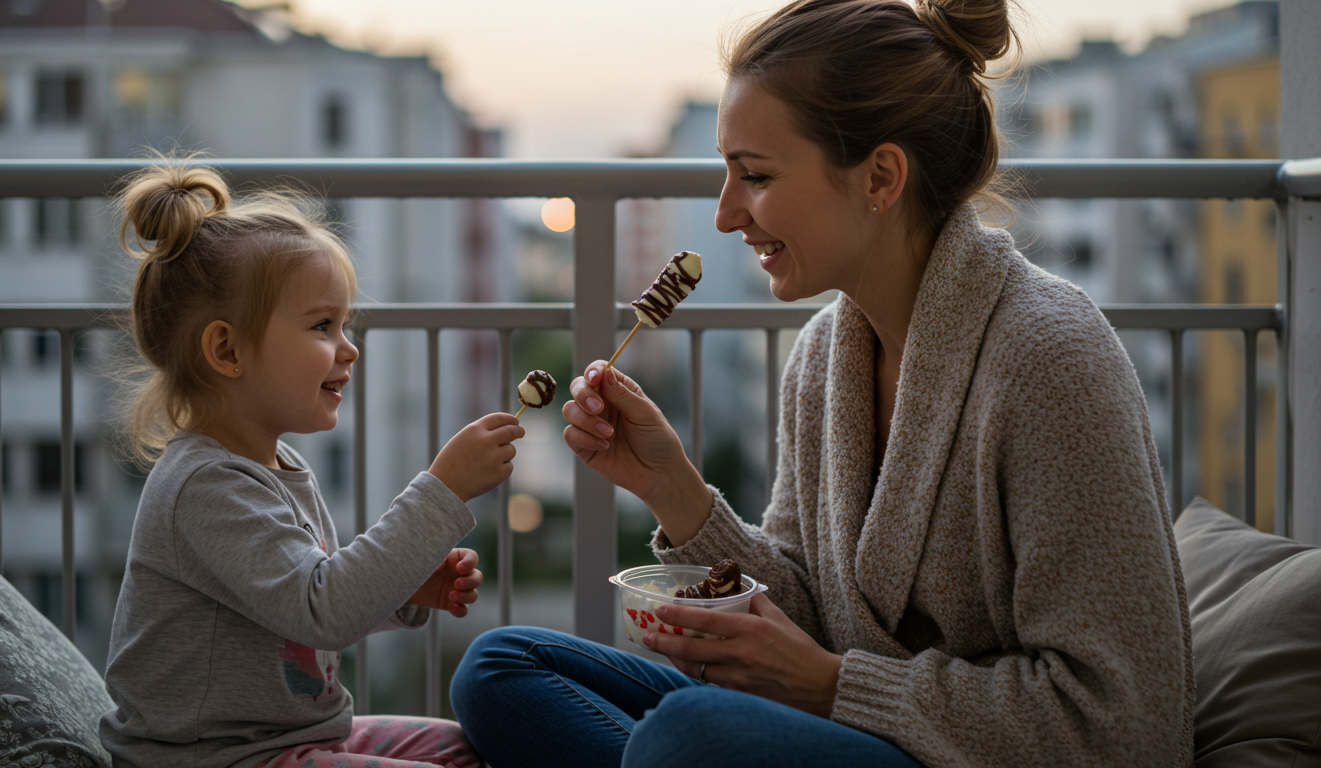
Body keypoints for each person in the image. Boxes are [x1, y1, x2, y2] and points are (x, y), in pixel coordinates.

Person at [449, 0, 1193, 767]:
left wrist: (837, 687)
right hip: (849, 732)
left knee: (687, 735)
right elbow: (807, 613)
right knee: (500, 668)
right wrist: (673, 490)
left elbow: (1125, 726)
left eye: (756, 175)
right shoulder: (822, 358)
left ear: (879, 176)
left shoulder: (1049, 359)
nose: (725, 214)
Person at [99, 160, 524, 768]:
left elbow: (301, 600)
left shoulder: (277, 463)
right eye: (323, 325)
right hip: (211, 759)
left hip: (289, 740)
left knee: (465, 749)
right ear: (227, 350)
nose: (349, 348)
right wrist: (443, 489)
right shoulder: (204, 486)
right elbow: (323, 608)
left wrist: (404, 589)